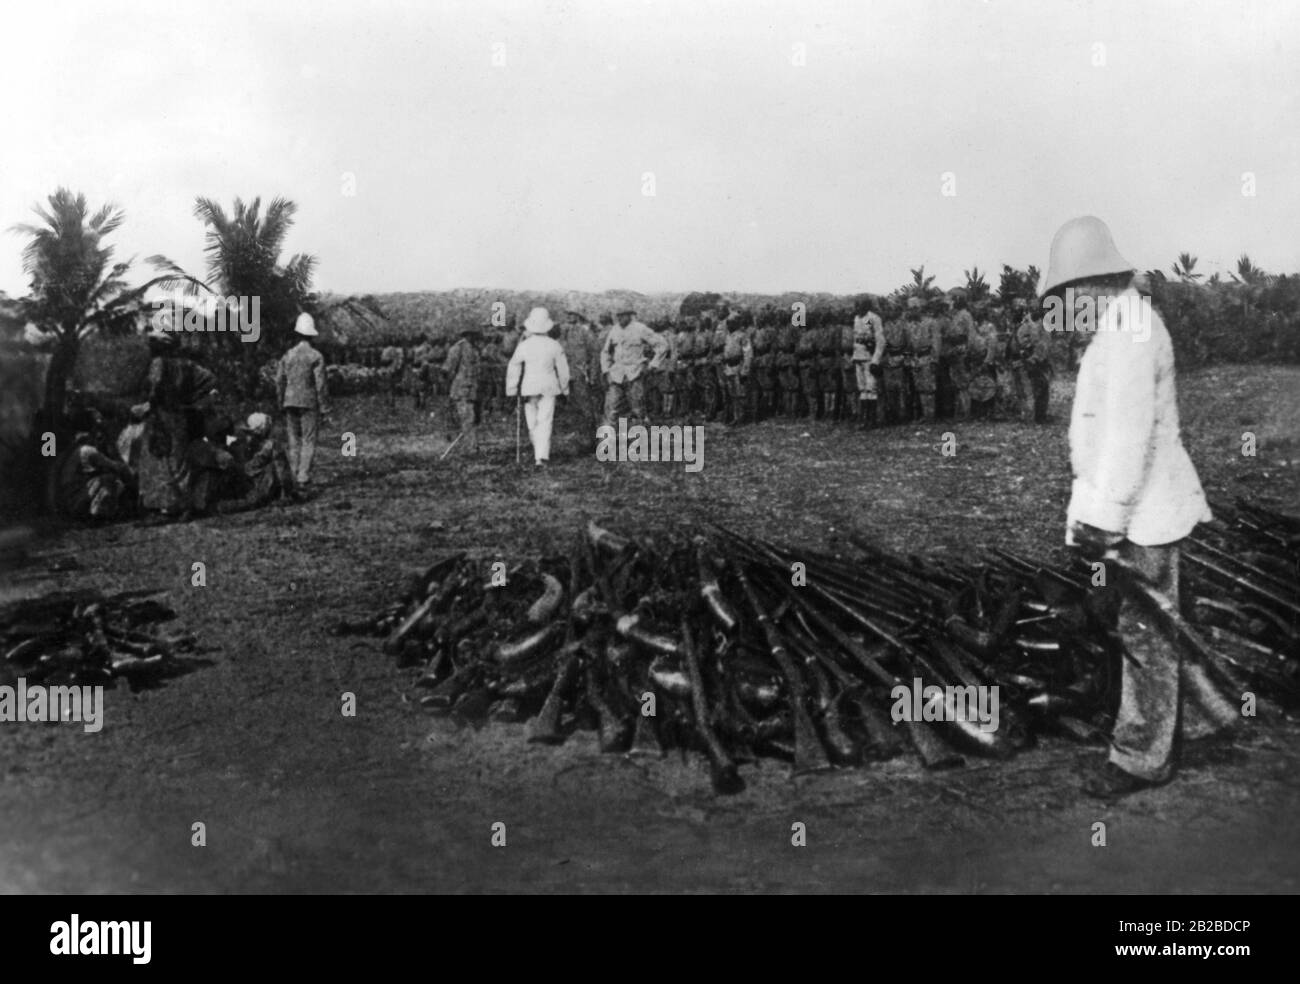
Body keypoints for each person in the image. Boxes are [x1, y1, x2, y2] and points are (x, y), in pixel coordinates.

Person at [1041, 216, 1238, 798]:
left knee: (1145, 633)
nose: (1067, 302)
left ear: (1093, 280)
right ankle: (1206, 719)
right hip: (1138, 506)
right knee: (1147, 621)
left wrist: (1104, 518)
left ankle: (1139, 758)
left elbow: (1127, 436)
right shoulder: (1122, 323)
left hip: (1143, 511)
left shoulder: (1129, 329)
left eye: (1069, 290)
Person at [137, 330, 218, 516]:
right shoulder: (186, 365)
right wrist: (191, 401)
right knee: (179, 461)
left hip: (161, 416)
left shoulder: (158, 363)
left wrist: (148, 405)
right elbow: (210, 379)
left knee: (160, 461)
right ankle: (185, 506)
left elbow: (154, 389)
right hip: (180, 416)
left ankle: (167, 507)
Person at [507, 307, 571, 467]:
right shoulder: (554, 345)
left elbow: (514, 366)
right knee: (545, 420)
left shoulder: (524, 345)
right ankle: (541, 456)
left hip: (529, 387)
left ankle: (539, 452)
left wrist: (512, 390)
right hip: (549, 386)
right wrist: (565, 389)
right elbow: (563, 370)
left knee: (532, 421)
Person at [276, 312, 330, 490]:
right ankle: (303, 476)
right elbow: (320, 385)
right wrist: (324, 407)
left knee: (293, 440)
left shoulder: (287, 355)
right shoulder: (316, 356)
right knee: (308, 439)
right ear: (311, 335)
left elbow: (279, 381)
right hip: (308, 401)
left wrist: (280, 401)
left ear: (297, 334)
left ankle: (293, 473)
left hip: (289, 401)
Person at [217, 412, 298, 513]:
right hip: (259, 488)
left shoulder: (238, 444)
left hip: (246, 486)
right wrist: (287, 494)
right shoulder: (270, 446)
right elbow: (282, 473)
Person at [599, 307, 667, 427]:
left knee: (638, 409)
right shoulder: (614, 330)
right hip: (617, 374)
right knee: (611, 409)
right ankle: (608, 440)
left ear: (630, 315)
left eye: (623, 315)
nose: (620, 318)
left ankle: (642, 438)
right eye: (618, 315)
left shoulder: (640, 328)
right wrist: (606, 370)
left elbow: (662, 345)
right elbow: (605, 352)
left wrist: (652, 365)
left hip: (635, 373)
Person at [55, 427, 132, 521]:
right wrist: (126, 468)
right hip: (74, 498)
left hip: (67, 497)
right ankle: (99, 514)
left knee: (103, 480)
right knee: (109, 479)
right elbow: (113, 465)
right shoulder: (88, 450)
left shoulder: (75, 451)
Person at [560, 310, 600, 446]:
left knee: (585, 406)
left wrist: (593, 375)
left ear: (578, 317)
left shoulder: (585, 332)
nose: (569, 317)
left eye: (572, 315)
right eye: (568, 315)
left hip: (581, 374)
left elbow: (594, 354)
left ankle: (591, 438)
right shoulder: (563, 332)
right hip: (567, 374)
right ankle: (578, 436)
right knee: (572, 406)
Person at [443, 325, 483, 454]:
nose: (475, 336)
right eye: (473, 334)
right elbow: (448, 369)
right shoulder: (457, 348)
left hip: (473, 388)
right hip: (462, 388)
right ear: (466, 334)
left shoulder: (474, 349)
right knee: (467, 417)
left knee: (472, 418)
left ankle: (472, 445)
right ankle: (470, 447)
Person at [852, 299, 886, 427]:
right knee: (862, 388)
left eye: (860, 305)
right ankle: (864, 419)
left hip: (869, 357)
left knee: (871, 388)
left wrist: (876, 360)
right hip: (858, 356)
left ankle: (872, 420)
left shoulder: (872, 318)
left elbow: (880, 340)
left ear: (867, 306)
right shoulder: (856, 318)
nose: (857, 308)